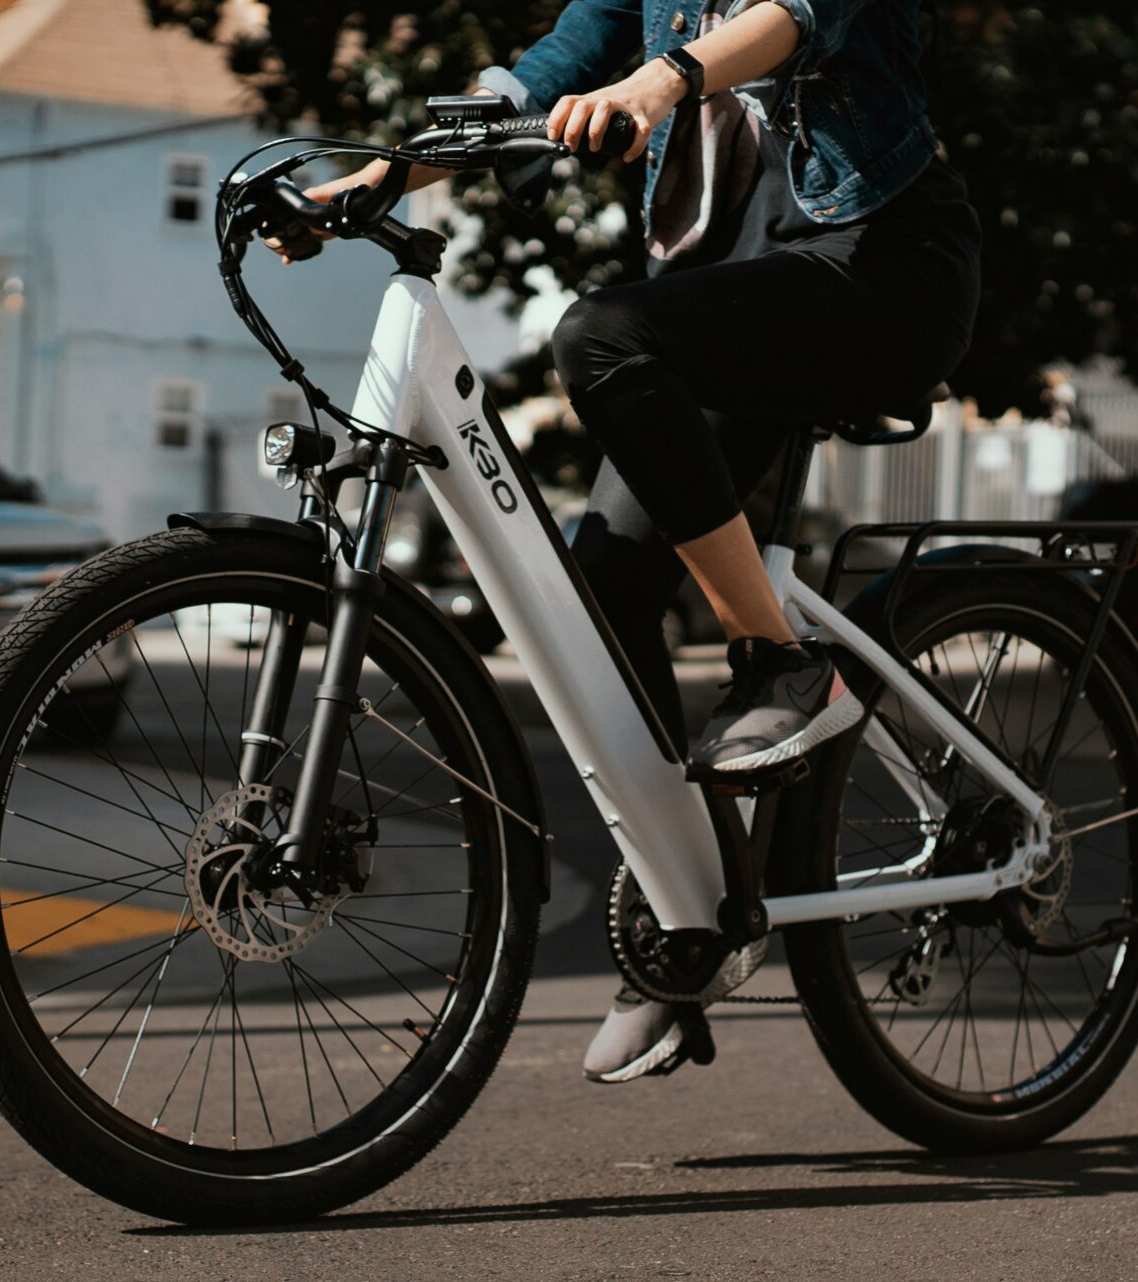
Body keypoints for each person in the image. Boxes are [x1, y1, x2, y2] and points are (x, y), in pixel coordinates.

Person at [305, 0, 982, 1082]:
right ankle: (696, 923)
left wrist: (662, 81)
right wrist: (380, 176)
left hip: (881, 270)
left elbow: (796, 17)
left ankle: (780, 662)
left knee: (601, 336)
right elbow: (540, 76)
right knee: (598, 594)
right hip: (731, 296)